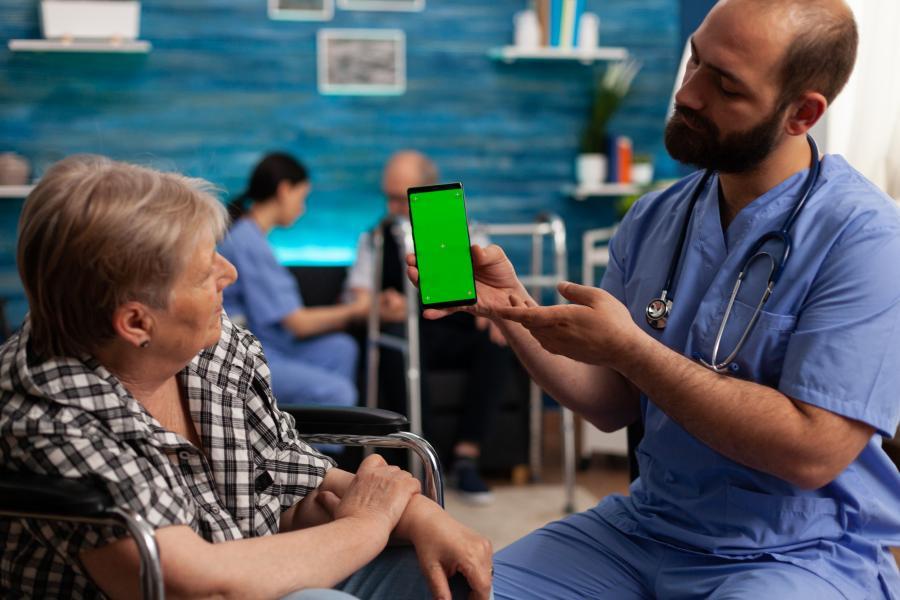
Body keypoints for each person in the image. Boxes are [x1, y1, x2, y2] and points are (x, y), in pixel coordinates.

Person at [409, 0, 900, 597]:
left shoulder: (867, 239)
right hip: (647, 529)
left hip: (798, 552)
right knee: (461, 589)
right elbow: (611, 404)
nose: (689, 93)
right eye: (695, 60)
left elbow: (811, 453)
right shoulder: (656, 217)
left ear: (802, 112)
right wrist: (512, 306)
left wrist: (632, 350)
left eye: (724, 85)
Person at [0, 155, 492, 599]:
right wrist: (366, 525)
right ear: (135, 322)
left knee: (449, 577)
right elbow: (194, 585)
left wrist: (418, 515)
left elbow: (291, 485)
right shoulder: (50, 415)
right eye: (202, 272)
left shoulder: (215, 347)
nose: (229, 273)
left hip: (254, 561)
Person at [347, 150, 510, 504]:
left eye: (400, 198)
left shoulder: (462, 232)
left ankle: (467, 457)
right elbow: (357, 302)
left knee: (496, 340)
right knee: (397, 343)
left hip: (453, 332)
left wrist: (497, 317)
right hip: (405, 333)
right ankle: (425, 462)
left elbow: (489, 289)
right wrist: (380, 305)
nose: (392, 207)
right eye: (387, 198)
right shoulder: (374, 239)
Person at [219, 153, 367, 410]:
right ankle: (308, 444)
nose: (303, 207)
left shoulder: (249, 235)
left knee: (342, 348)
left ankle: (320, 438)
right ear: (285, 190)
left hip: (269, 342)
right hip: (246, 356)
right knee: (339, 393)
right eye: (302, 197)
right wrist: (359, 310)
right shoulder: (247, 242)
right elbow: (297, 324)